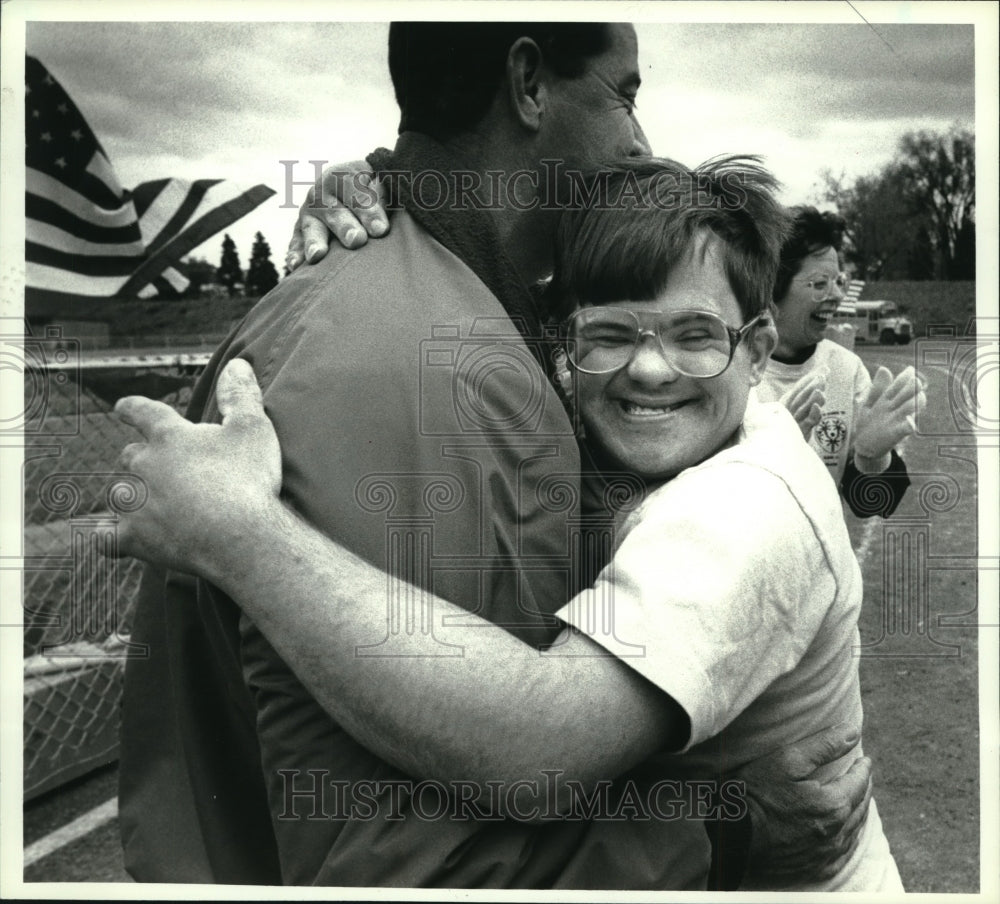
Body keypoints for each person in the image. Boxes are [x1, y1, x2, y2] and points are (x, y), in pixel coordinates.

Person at [118, 23, 871, 888]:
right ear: (528, 83)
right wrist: (731, 828)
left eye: (697, 335)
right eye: (624, 94)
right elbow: (424, 864)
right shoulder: (419, 359)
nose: (640, 142)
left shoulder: (437, 314)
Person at [756, 207, 925, 518]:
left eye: (839, 281)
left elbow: (872, 505)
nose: (836, 295)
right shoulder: (734, 372)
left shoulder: (847, 369)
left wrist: (872, 457)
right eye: (820, 284)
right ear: (773, 287)